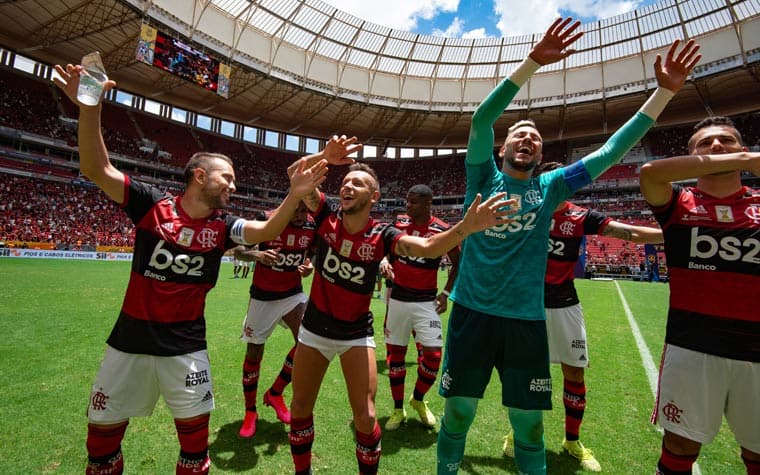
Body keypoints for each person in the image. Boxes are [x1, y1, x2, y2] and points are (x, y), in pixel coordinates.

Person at [52, 62, 360, 475]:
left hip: (186, 348)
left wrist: (294, 194)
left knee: (195, 455)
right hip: (128, 343)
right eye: (227, 178)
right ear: (199, 176)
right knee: (101, 451)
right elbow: (97, 170)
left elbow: (266, 228)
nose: (233, 186)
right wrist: (89, 107)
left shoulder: (223, 227)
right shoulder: (151, 206)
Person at [435, 17, 700, 475]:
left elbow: (609, 153)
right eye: (519, 132)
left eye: (535, 137)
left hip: (525, 320)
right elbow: (481, 119)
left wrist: (664, 93)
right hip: (473, 315)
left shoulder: (551, 188)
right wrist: (533, 62)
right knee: (458, 414)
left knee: (530, 427)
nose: (528, 137)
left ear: (539, 155)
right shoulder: (482, 177)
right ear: (502, 149)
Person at [285, 155, 515, 475]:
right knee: (300, 408)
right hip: (314, 330)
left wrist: (467, 226)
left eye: (359, 183)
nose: (349, 185)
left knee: (365, 417)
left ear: (374, 196)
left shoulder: (383, 235)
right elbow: (294, 174)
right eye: (346, 182)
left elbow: (429, 248)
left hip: (355, 334)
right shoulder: (324, 213)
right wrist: (325, 155)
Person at [501, 162, 663, 471]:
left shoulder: (580, 216)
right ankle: (518, 432)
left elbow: (626, 231)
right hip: (526, 307)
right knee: (523, 374)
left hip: (565, 305)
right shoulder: (522, 212)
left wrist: (675, 233)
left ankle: (572, 441)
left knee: (574, 374)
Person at [639, 116, 760, 475]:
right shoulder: (678, 203)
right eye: (705, 144)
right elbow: (650, 172)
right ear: (692, 157)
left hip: (757, 350)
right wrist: (746, 160)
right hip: (692, 346)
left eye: (726, 140)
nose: (717, 146)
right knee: (679, 445)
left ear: (742, 146)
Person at [380, 184, 460, 431]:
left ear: (428, 203)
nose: (407, 206)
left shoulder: (442, 230)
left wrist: (446, 294)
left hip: (427, 303)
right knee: (396, 358)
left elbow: (458, 263)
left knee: (434, 358)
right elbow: (384, 252)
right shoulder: (399, 226)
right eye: (407, 201)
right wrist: (384, 261)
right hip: (398, 301)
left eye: (413, 202)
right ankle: (397, 409)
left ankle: (417, 399)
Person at [236, 202, 316, 438]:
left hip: (292, 294)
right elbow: (239, 251)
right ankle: (250, 412)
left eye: (305, 211)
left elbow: (311, 254)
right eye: (296, 210)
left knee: (307, 341)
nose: (302, 216)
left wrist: (309, 265)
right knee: (254, 354)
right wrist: (258, 254)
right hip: (262, 296)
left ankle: (275, 392)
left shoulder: (311, 226)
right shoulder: (266, 219)